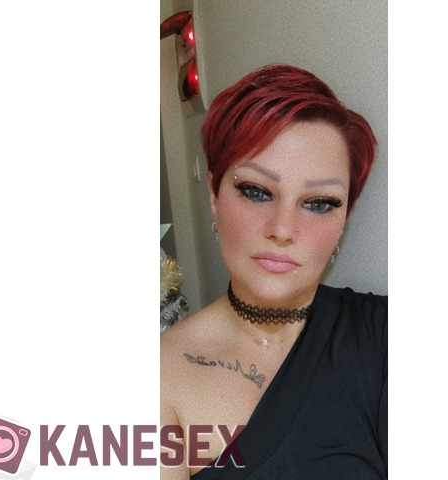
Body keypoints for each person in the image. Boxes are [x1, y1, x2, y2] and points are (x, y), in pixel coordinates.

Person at [160, 64, 387, 479]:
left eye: (319, 203)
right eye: (256, 192)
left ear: (344, 219)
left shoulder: (383, 336)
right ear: (214, 196)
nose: (282, 230)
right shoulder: (159, 376)